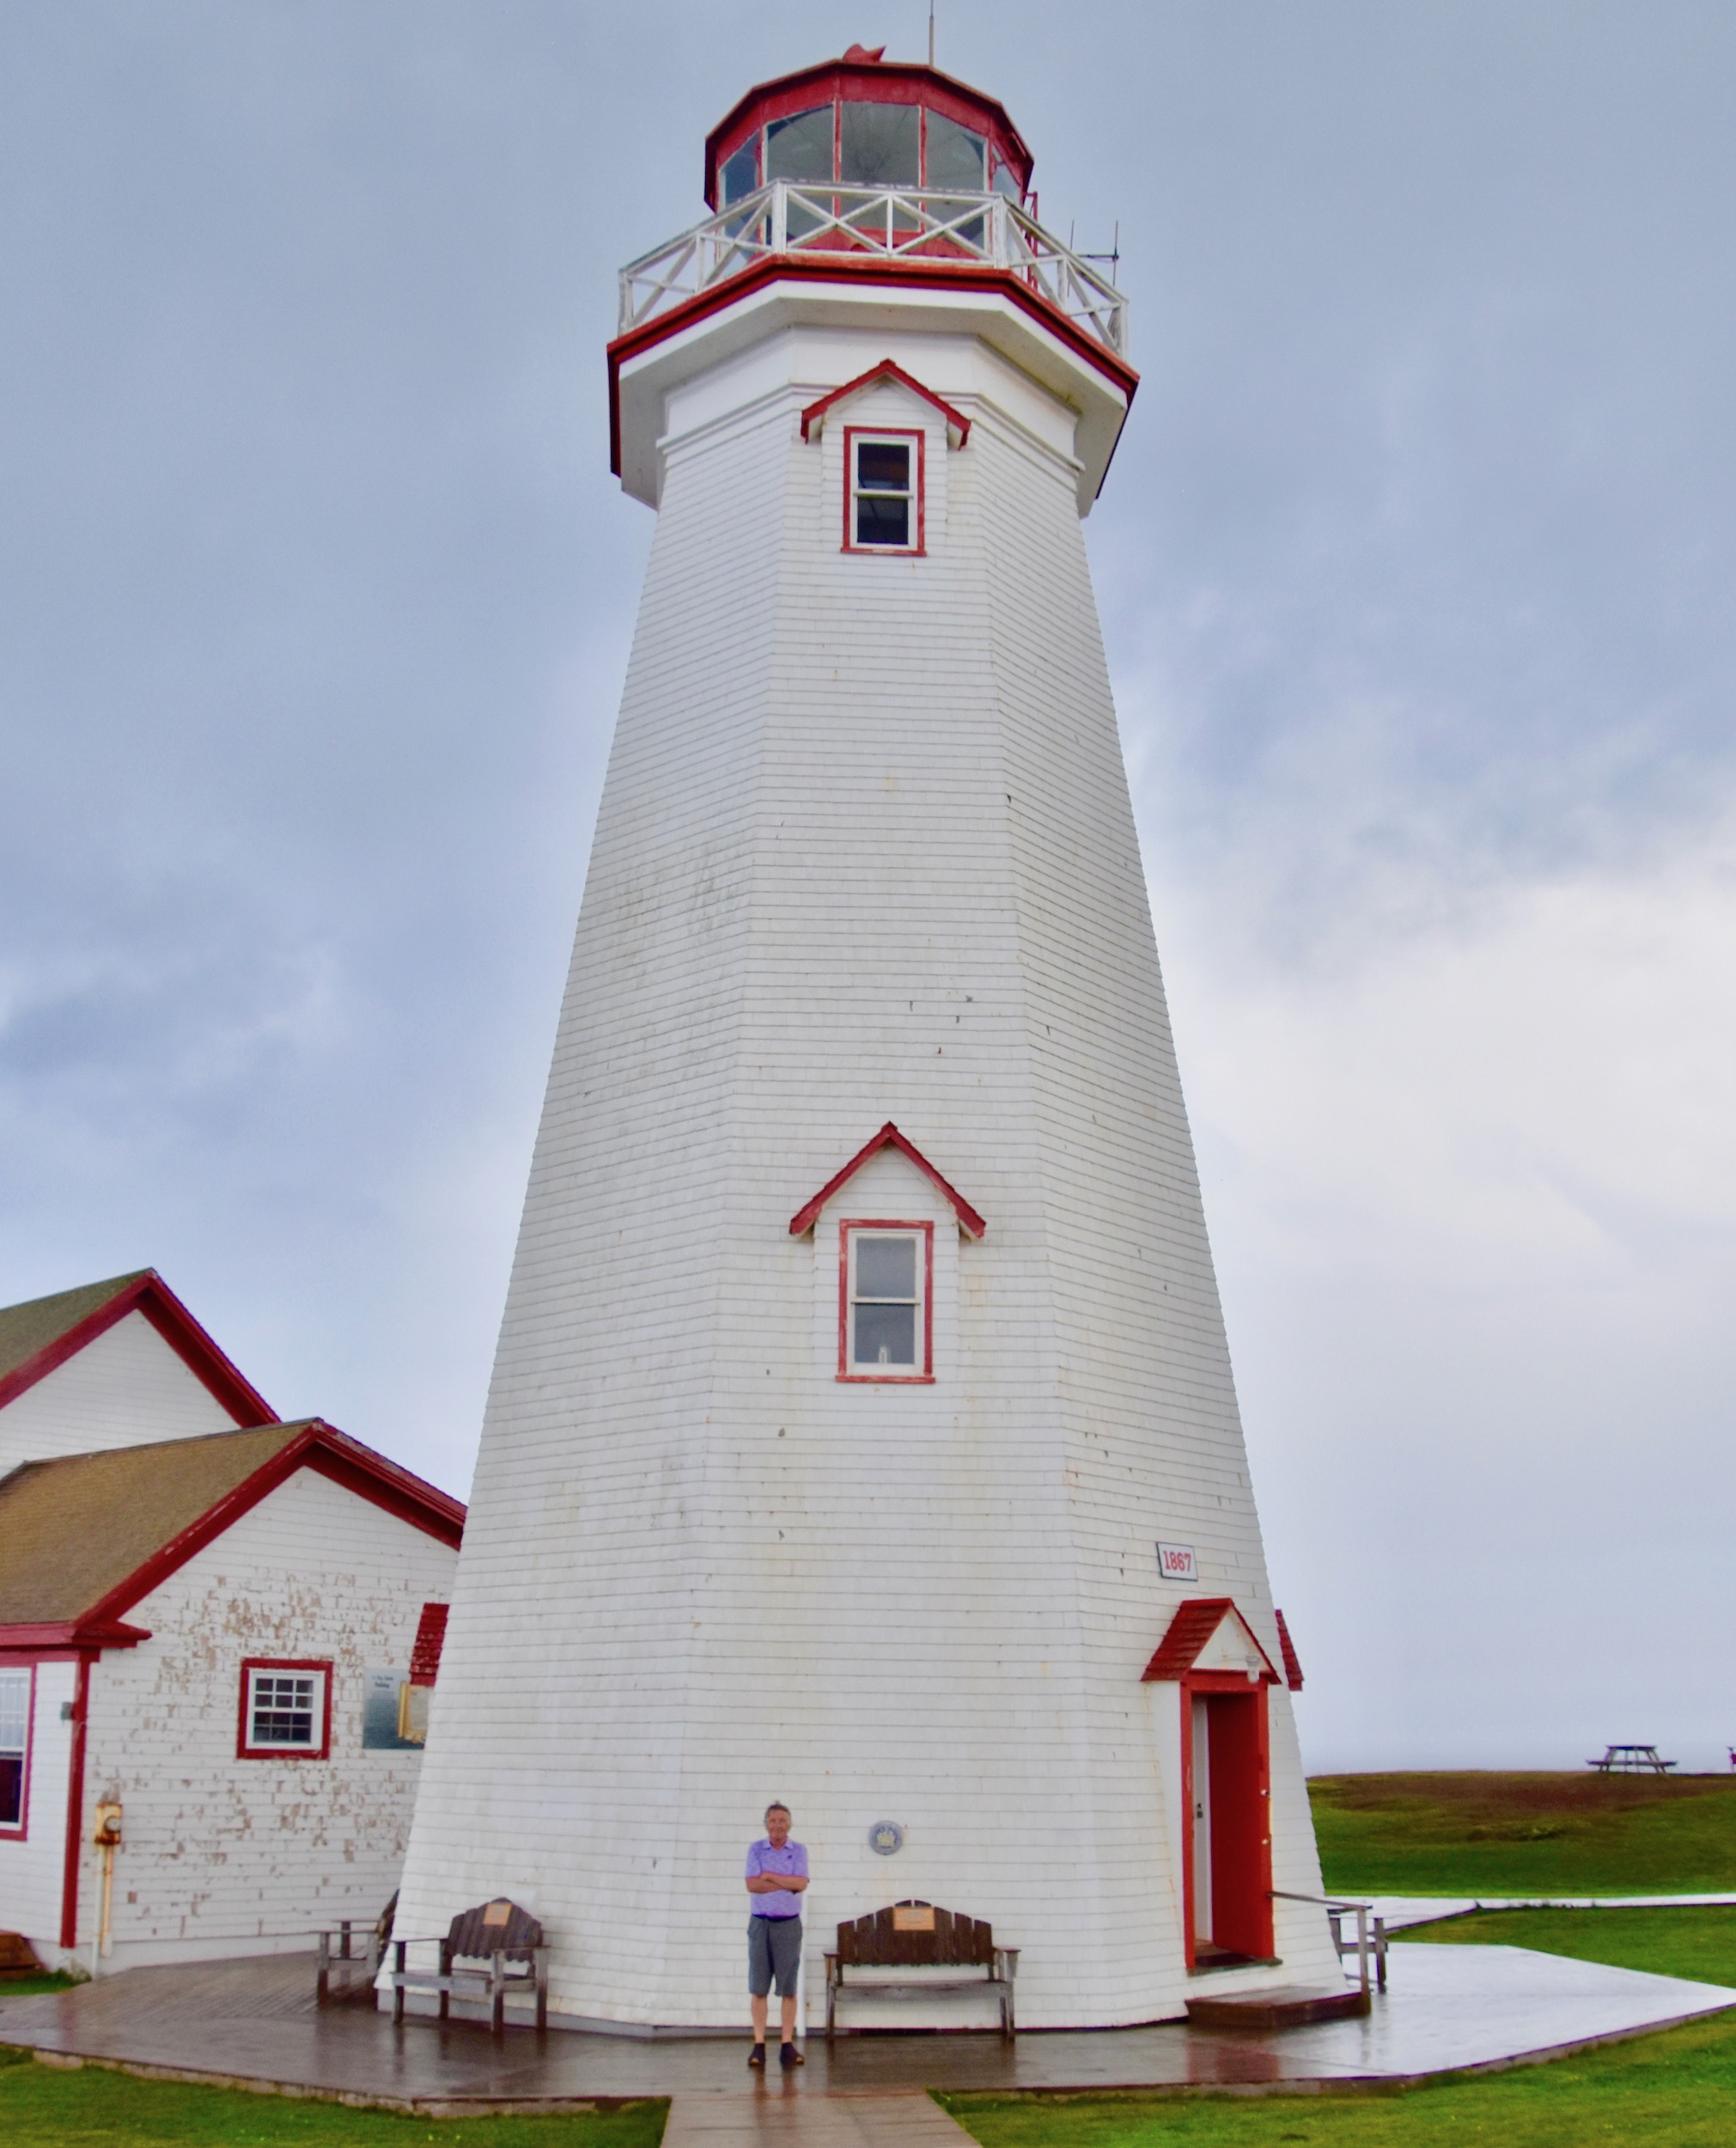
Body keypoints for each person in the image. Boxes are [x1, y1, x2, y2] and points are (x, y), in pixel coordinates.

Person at [745, 1801, 808, 2068]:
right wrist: (785, 1882)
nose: (777, 1826)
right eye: (772, 1821)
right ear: (766, 1824)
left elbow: (801, 1883)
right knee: (759, 1987)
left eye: (782, 1821)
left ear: (789, 1824)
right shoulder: (756, 1849)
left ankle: (786, 2044)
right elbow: (752, 1885)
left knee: (788, 1988)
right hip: (761, 1924)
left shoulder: (799, 1851)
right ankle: (759, 2044)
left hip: (788, 1925)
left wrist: (771, 1876)